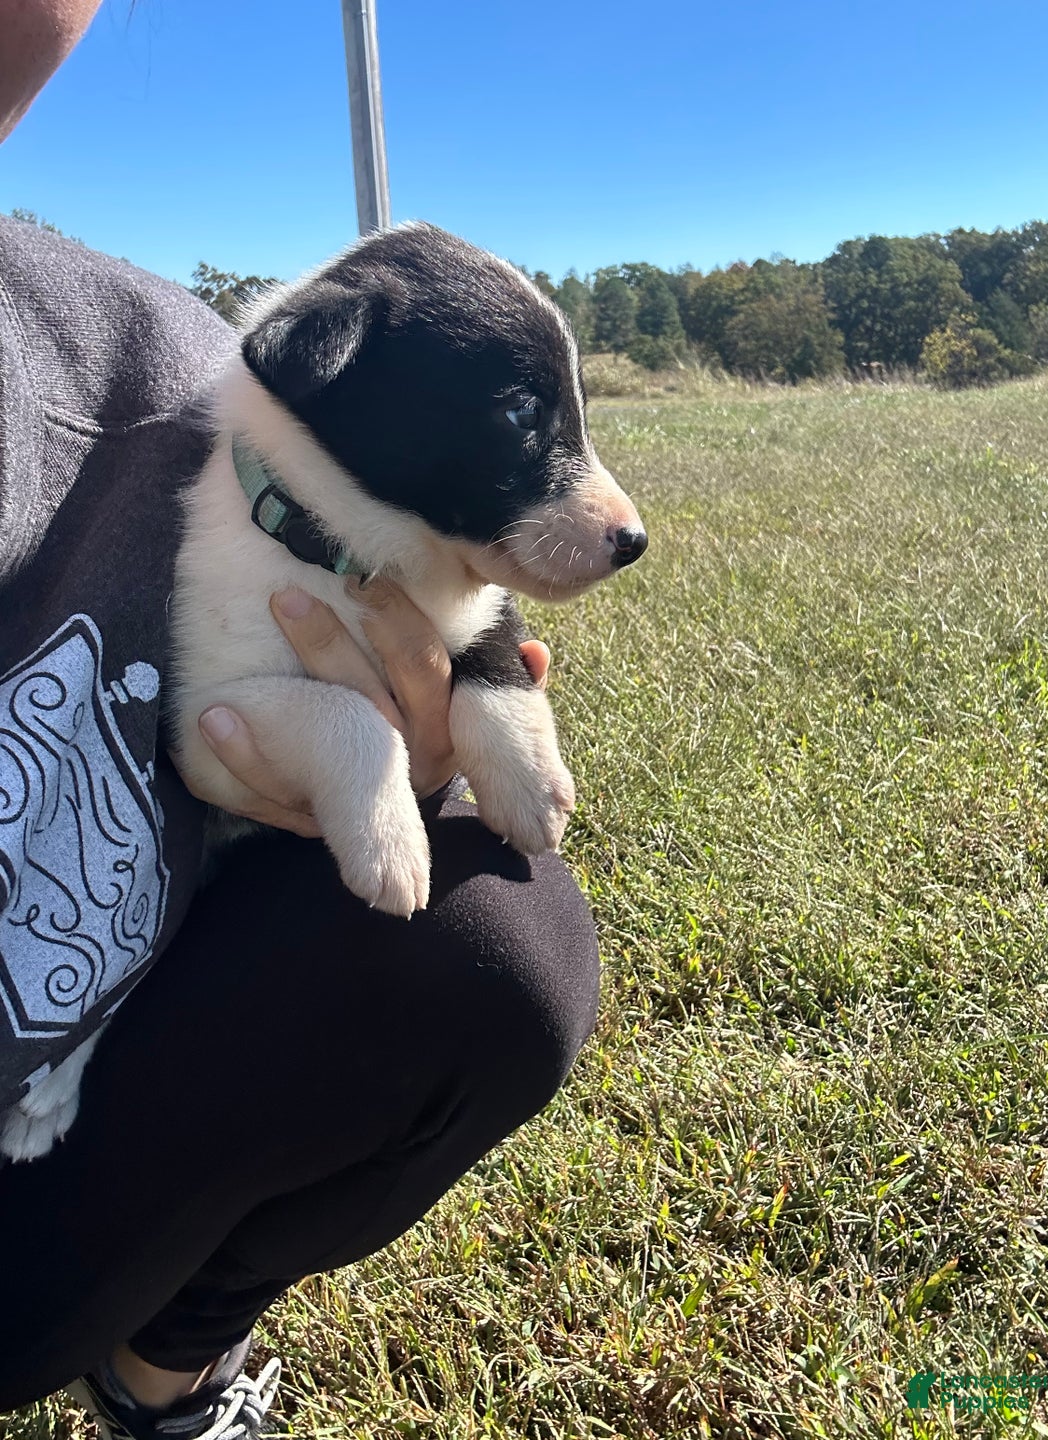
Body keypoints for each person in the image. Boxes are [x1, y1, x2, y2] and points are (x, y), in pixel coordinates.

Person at [0, 5, 600, 1436]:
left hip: (48, 1151)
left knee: (486, 939)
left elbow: (438, 628)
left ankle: (165, 1363)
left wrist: (446, 713)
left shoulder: (174, 366)